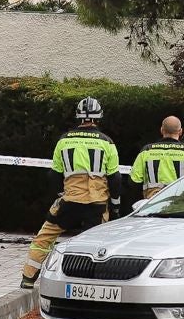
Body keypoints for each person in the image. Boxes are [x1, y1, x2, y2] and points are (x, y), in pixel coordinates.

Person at [20, 95, 120, 288]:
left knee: (45, 237)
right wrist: (115, 206)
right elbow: (114, 178)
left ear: (78, 117)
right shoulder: (107, 142)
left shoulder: (64, 141)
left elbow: (53, 175)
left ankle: (28, 278)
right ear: (99, 117)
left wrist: (57, 196)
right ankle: (88, 283)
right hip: (97, 204)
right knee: (95, 244)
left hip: (70, 200)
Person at [130, 116, 184, 199]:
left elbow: (134, 181)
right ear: (180, 131)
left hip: (153, 206)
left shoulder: (146, 151)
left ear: (161, 130)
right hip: (182, 207)